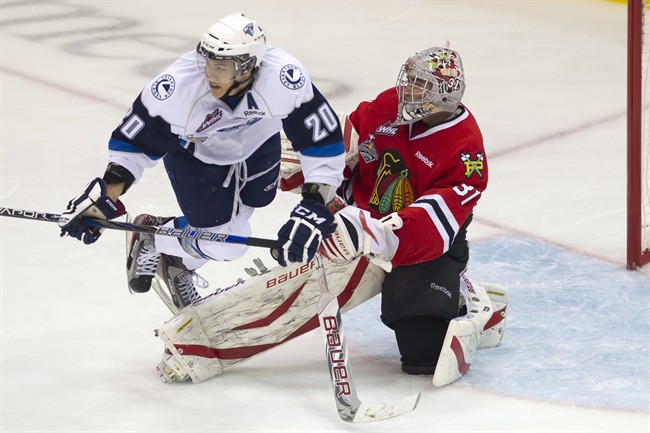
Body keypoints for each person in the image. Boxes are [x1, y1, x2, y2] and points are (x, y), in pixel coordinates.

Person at [58, 12, 343, 309]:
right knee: (229, 241)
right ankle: (154, 238)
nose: (211, 74)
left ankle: (178, 262)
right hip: (197, 155)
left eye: (221, 67)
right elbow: (133, 144)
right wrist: (106, 197)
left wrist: (313, 207)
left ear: (247, 68)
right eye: (209, 63)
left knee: (248, 209)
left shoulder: (284, 79)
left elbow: (321, 142)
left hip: (259, 144)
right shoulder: (176, 88)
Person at [318, 45, 497, 382]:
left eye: (419, 84)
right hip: (356, 218)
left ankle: (462, 298)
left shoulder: (465, 149)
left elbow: (435, 220)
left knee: (421, 350)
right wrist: (311, 169)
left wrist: (375, 235)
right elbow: (350, 137)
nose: (406, 90)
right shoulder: (390, 104)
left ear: (444, 95)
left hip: (423, 240)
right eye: (409, 79)